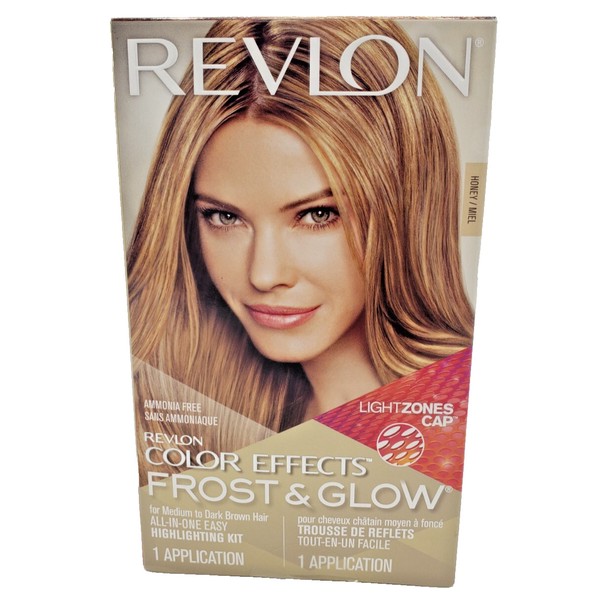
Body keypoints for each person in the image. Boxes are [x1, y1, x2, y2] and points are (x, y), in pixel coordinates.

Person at [126, 18, 474, 482]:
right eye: (224, 217)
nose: (264, 275)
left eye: (317, 214)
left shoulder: (458, 429)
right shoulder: (182, 416)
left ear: (406, 210)